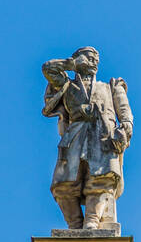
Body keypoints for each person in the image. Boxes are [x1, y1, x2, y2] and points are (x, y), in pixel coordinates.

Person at [42, 47, 133, 230]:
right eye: (89, 58)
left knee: (100, 179)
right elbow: (48, 68)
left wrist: (126, 126)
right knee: (62, 184)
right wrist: (72, 64)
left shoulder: (109, 87)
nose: (94, 62)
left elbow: (124, 110)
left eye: (96, 59)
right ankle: (75, 224)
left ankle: (92, 220)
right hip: (75, 134)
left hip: (102, 135)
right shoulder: (67, 85)